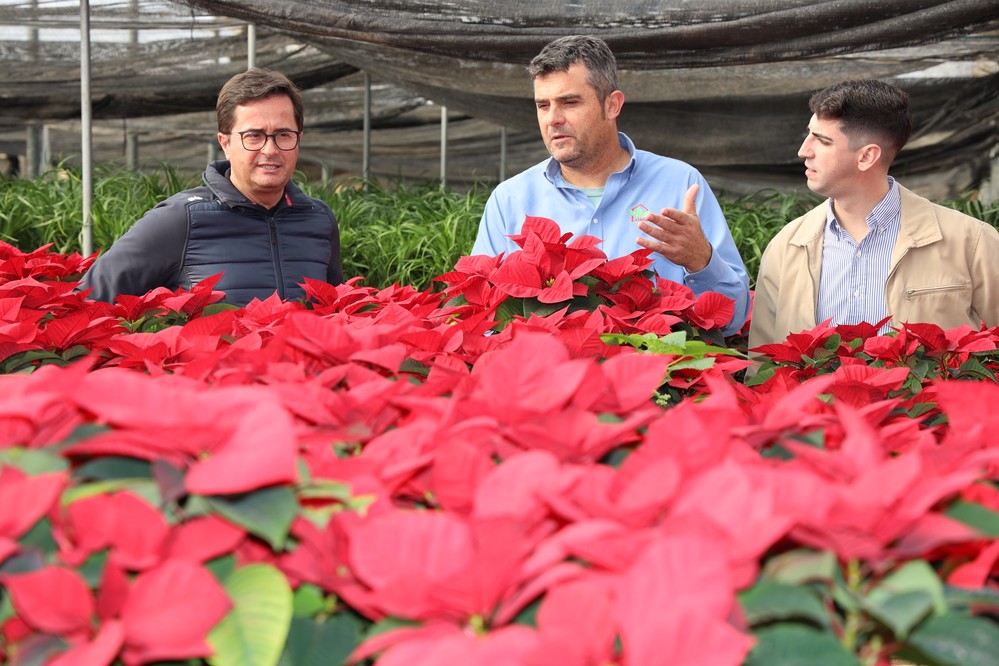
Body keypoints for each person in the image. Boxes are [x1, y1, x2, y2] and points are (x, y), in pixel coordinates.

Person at [470, 35, 750, 336]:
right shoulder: (511, 199)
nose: (553, 119)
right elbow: (481, 318)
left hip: (656, 378)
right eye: (543, 105)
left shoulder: (680, 184)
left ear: (612, 105)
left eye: (569, 102)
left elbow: (732, 320)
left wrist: (699, 260)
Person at [749, 79, 999, 351]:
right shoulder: (787, 247)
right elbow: (764, 367)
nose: (804, 150)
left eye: (822, 140)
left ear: (867, 156)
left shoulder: (971, 242)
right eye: (810, 134)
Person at [78, 67, 344, 307]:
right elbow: (87, 301)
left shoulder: (317, 219)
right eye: (254, 136)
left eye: (284, 135)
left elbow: (334, 310)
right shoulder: (181, 219)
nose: (270, 149)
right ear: (225, 142)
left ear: (299, 139)